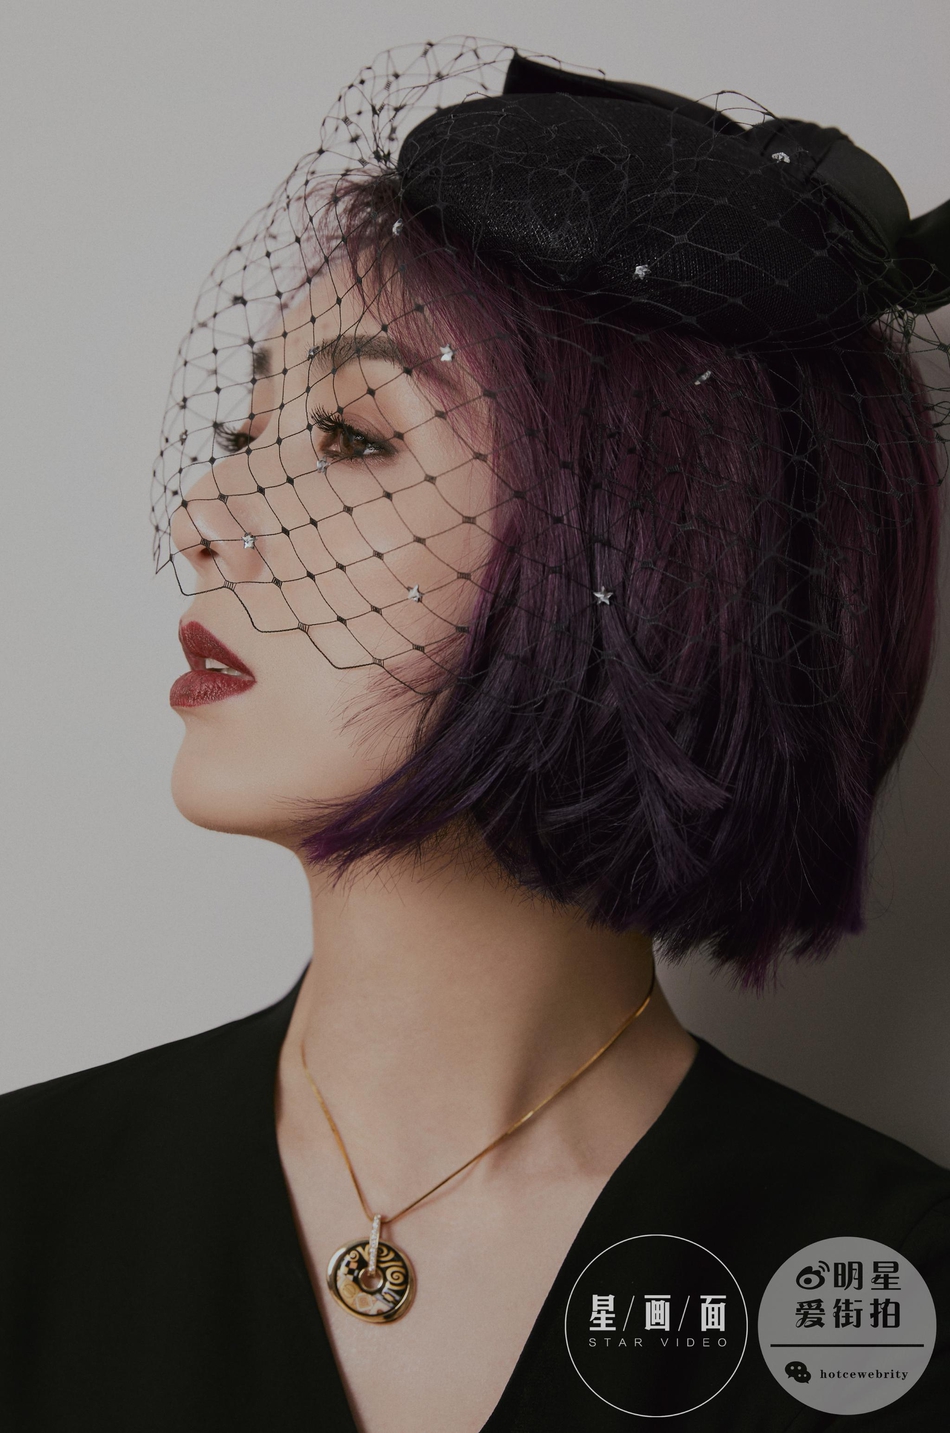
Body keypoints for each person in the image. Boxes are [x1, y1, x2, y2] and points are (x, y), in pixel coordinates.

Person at [1, 40, 949, 1432]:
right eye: (243, 431)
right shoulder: (28, 1206)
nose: (202, 516)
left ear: (638, 548)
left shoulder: (882, 1297)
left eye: (350, 437)